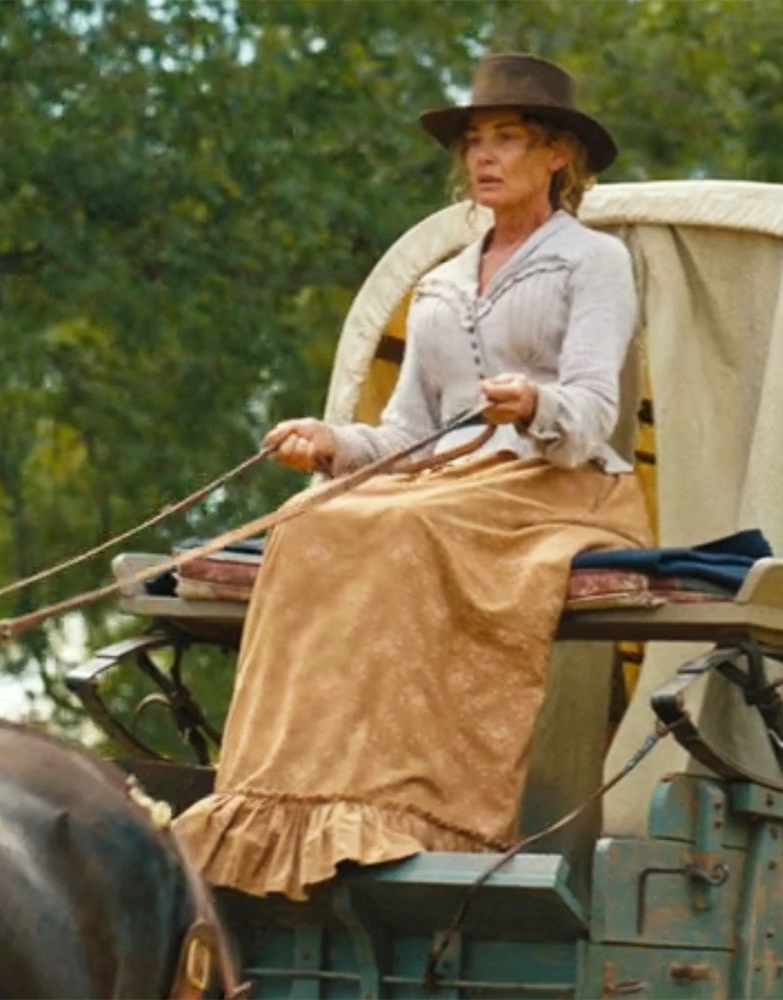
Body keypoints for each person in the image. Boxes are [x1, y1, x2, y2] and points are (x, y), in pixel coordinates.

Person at [172, 53, 651, 900]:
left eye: (508, 138)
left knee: (397, 528)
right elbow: (404, 433)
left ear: (557, 158)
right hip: (445, 479)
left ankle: (413, 807)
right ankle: (283, 797)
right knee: (309, 522)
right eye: (475, 141)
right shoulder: (436, 283)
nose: (484, 157)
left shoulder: (593, 260)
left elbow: (589, 409)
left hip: (556, 484)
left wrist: (531, 401)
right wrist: (329, 444)